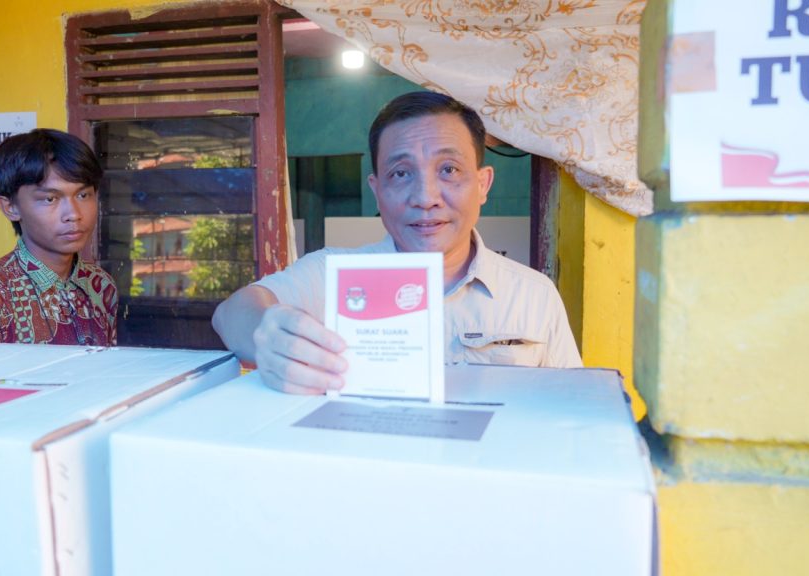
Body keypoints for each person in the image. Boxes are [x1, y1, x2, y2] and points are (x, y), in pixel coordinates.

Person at [212, 91, 581, 395]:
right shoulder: (335, 276)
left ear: (483, 184)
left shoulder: (533, 295)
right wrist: (266, 333)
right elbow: (231, 313)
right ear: (377, 190)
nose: (425, 197)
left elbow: (568, 407)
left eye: (448, 170)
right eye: (401, 173)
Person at [0, 128, 117, 345]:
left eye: (83, 195)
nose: (73, 214)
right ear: (10, 207)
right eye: (50, 199)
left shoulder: (101, 285)